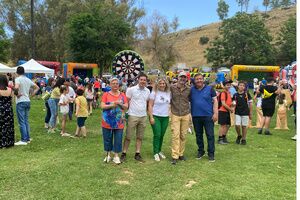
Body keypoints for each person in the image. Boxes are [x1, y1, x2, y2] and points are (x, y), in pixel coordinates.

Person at [120, 73, 150, 162]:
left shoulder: (148, 91)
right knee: (128, 136)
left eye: (144, 80)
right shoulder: (131, 90)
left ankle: (137, 153)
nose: (143, 81)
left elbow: (147, 103)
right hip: (132, 115)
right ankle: (124, 153)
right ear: (138, 80)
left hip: (143, 116)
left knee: (140, 137)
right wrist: (123, 113)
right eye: (141, 79)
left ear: (146, 81)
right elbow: (126, 102)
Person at [190, 73, 218, 162]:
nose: (199, 80)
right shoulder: (191, 90)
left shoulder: (210, 89)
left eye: (200, 79)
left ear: (203, 79)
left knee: (210, 135)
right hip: (196, 116)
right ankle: (201, 151)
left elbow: (215, 101)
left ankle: (211, 153)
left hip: (208, 116)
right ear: (194, 81)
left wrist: (215, 113)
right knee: (198, 135)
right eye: (197, 79)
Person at [101, 77, 128, 164]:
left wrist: (120, 103)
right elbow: (102, 106)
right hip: (107, 121)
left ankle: (116, 156)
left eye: (117, 83)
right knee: (107, 138)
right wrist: (112, 105)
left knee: (118, 138)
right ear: (110, 85)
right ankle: (108, 154)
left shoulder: (123, 95)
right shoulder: (106, 94)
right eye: (113, 83)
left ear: (119, 85)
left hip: (119, 121)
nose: (115, 85)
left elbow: (126, 107)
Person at [14, 66, 39, 145]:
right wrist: (31, 95)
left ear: (17, 72)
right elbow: (37, 87)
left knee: (21, 121)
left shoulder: (18, 79)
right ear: (24, 72)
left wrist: (16, 94)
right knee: (26, 120)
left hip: (20, 101)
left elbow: (16, 88)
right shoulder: (28, 79)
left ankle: (24, 140)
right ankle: (27, 138)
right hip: (27, 101)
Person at [170, 71, 191, 165]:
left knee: (183, 135)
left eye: (184, 77)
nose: (182, 79)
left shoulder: (189, 89)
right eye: (181, 77)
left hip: (185, 114)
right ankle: (175, 155)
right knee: (175, 135)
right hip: (175, 113)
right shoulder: (172, 88)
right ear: (178, 78)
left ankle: (181, 153)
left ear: (186, 79)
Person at [148, 77, 171, 162]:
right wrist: (151, 117)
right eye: (160, 83)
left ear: (166, 84)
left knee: (162, 134)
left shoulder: (168, 93)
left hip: (165, 117)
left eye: (163, 83)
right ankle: (155, 152)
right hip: (156, 116)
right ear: (157, 84)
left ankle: (159, 150)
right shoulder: (154, 93)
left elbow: (170, 104)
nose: (162, 85)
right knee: (157, 134)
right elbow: (150, 105)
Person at [0, 74, 15, 148]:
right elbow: (12, 101)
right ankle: (9, 142)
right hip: (8, 109)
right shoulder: (10, 89)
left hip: (0, 110)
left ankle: (1, 143)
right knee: (8, 126)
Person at [217, 80, 233, 144]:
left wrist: (232, 104)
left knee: (228, 125)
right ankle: (220, 139)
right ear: (224, 86)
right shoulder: (223, 93)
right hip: (222, 111)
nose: (229, 86)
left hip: (226, 111)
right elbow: (223, 104)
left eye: (229, 85)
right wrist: (230, 109)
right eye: (227, 85)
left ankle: (224, 137)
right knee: (222, 125)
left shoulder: (228, 93)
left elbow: (228, 102)